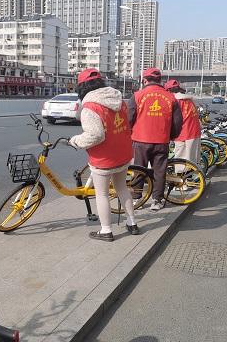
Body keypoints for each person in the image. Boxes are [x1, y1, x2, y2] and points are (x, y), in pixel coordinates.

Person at [69, 68, 139, 242]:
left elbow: (96, 135)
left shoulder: (90, 106)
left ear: (82, 87)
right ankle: (132, 223)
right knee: (122, 188)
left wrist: (75, 141)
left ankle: (106, 230)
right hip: (123, 152)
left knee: (102, 194)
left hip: (104, 157)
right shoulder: (119, 100)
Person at [127, 68, 183, 211]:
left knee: (139, 169)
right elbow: (177, 123)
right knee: (159, 171)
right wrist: (171, 136)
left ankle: (136, 199)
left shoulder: (137, 95)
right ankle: (157, 200)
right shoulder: (170, 98)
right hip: (162, 140)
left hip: (141, 140)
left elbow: (129, 118)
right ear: (160, 81)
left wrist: (130, 133)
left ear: (144, 81)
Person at [164, 79, 201, 176]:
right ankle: (190, 177)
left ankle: (181, 179)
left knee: (180, 158)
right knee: (191, 158)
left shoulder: (175, 101)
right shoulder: (189, 100)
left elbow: (172, 118)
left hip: (183, 132)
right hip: (194, 131)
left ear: (169, 91)